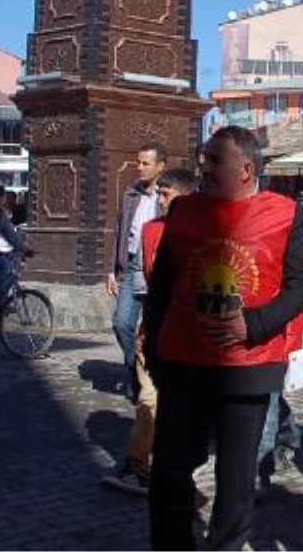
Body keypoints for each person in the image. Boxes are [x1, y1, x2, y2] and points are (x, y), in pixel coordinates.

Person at [144, 127, 303, 551]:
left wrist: (255, 324)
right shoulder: (184, 211)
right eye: (203, 157)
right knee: (169, 473)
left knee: (235, 481)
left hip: (247, 369)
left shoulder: (285, 213)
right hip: (184, 363)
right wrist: (153, 348)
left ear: (245, 168)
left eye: (213, 159)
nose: (202, 166)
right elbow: (162, 286)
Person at [102, 168, 197, 496]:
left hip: (192, 338)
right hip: (156, 330)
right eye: (158, 193)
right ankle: (137, 464)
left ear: (185, 195)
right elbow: (143, 284)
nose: (159, 200)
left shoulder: (207, 232)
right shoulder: (150, 231)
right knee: (149, 399)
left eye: (166, 194)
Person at [108, 141, 168, 400]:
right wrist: (112, 270)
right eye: (138, 162)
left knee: (155, 326)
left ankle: (151, 380)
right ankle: (137, 368)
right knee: (122, 323)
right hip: (132, 264)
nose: (140, 168)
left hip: (157, 264)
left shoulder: (168, 195)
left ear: (161, 166)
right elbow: (121, 231)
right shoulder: (131, 194)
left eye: (146, 163)